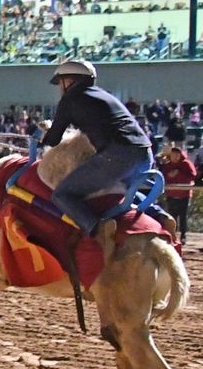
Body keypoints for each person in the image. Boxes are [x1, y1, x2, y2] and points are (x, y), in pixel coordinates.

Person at [40, 59, 154, 236]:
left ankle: (98, 230)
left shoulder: (70, 99)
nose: (60, 88)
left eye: (60, 82)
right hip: (145, 154)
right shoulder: (105, 95)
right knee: (121, 191)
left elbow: (53, 139)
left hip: (118, 156)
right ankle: (158, 215)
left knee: (62, 195)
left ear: (69, 80)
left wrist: (42, 140)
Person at [157, 145, 197, 240]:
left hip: (184, 194)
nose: (175, 157)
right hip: (171, 194)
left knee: (183, 216)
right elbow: (162, 177)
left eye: (177, 155)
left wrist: (179, 173)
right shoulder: (167, 165)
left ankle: (183, 235)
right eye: (173, 155)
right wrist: (169, 176)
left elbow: (193, 176)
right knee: (171, 216)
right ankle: (172, 234)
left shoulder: (186, 164)